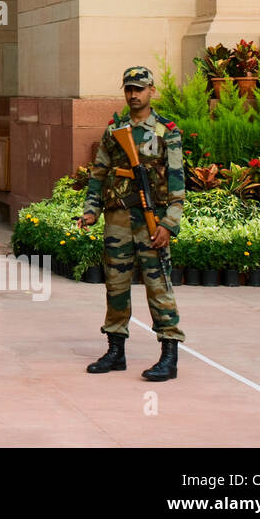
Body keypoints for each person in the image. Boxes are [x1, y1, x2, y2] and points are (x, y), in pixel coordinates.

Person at [78, 65, 185, 382]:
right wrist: (91, 211)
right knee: (116, 285)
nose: (133, 94)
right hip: (118, 219)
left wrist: (168, 224)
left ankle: (169, 355)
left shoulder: (167, 132)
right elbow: (98, 174)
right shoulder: (114, 131)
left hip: (152, 221)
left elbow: (178, 185)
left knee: (158, 285)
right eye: (129, 89)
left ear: (152, 90)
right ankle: (116, 351)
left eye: (139, 89)